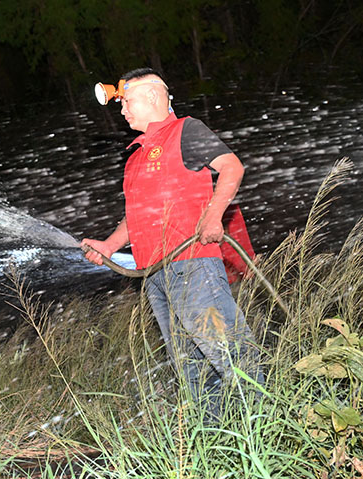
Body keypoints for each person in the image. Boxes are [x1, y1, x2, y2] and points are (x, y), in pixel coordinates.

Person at [83, 68, 261, 415]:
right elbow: (137, 217)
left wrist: (212, 216)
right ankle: (214, 443)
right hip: (155, 276)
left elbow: (232, 167)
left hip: (193, 266)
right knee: (191, 370)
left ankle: (273, 428)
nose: (123, 112)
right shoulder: (134, 156)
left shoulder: (186, 130)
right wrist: (109, 246)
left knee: (231, 356)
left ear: (152, 96)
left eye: (127, 102)